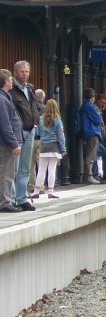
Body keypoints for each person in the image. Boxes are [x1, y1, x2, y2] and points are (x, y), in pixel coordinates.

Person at [9, 60, 39, 208]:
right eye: (22, 71)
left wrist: (35, 122)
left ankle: (22, 197)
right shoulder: (11, 90)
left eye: (27, 71)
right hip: (19, 132)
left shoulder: (30, 89)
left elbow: (34, 106)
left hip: (30, 130)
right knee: (15, 166)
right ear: (15, 72)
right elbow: (12, 112)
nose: (25, 74)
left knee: (25, 167)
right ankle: (13, 198)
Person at [31, 99, 66, 200]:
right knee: (52, 169)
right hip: (54, 146)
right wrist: (63, 148)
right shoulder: (57, 120)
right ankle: (50, 191)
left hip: (43, 146)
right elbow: (61, 135)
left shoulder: (41, 119)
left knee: (41, 169)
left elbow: (37, 133)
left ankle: (36, 191)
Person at [0, 69, 24, 212]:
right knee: (6, 173)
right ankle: (5, 202)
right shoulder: (2, 99)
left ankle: (6, 200)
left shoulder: (5, 97)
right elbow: (5, 124)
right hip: (5, 144)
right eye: (10, 79)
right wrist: (14, 143)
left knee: (6, 172)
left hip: (5, 142)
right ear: (5, 82)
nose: (11, 82)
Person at [79, 88, 104, 185]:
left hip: (87, 132)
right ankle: (88, 175)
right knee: (91, 155)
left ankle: (88, 175)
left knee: (89, 154)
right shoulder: (89, 106)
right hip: (92, 132)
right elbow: (98, 119)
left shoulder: (84, 106)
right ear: (92, 97)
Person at [29, 88, 46, 194]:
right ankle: (40, 187)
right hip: (42, 139)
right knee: (42, 165)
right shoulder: (45, 109)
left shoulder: (31, 108)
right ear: (43, 97)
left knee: (31, 165)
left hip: (31, 138)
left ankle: (32, 186)